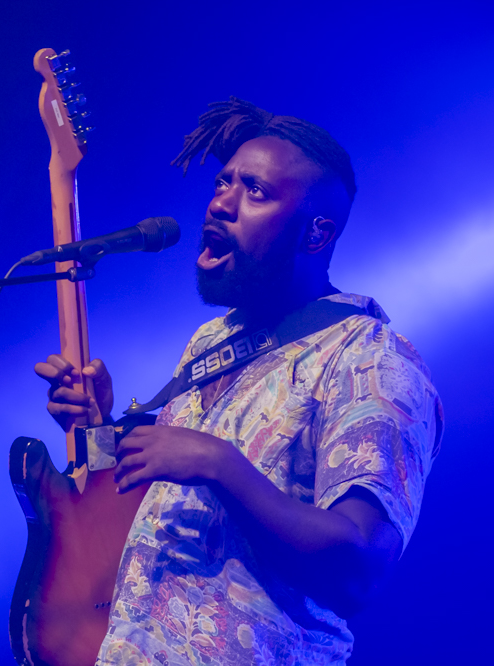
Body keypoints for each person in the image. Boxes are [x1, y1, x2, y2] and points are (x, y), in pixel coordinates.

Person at [35, 98, 442, 665]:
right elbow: (165, 513)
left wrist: (219, 462)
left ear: (316, 233)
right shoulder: (212, 341)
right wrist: (98, 428)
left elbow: (361, 570)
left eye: (256, 191)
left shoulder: (369, 357)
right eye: (224, 182)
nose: (221, 201)